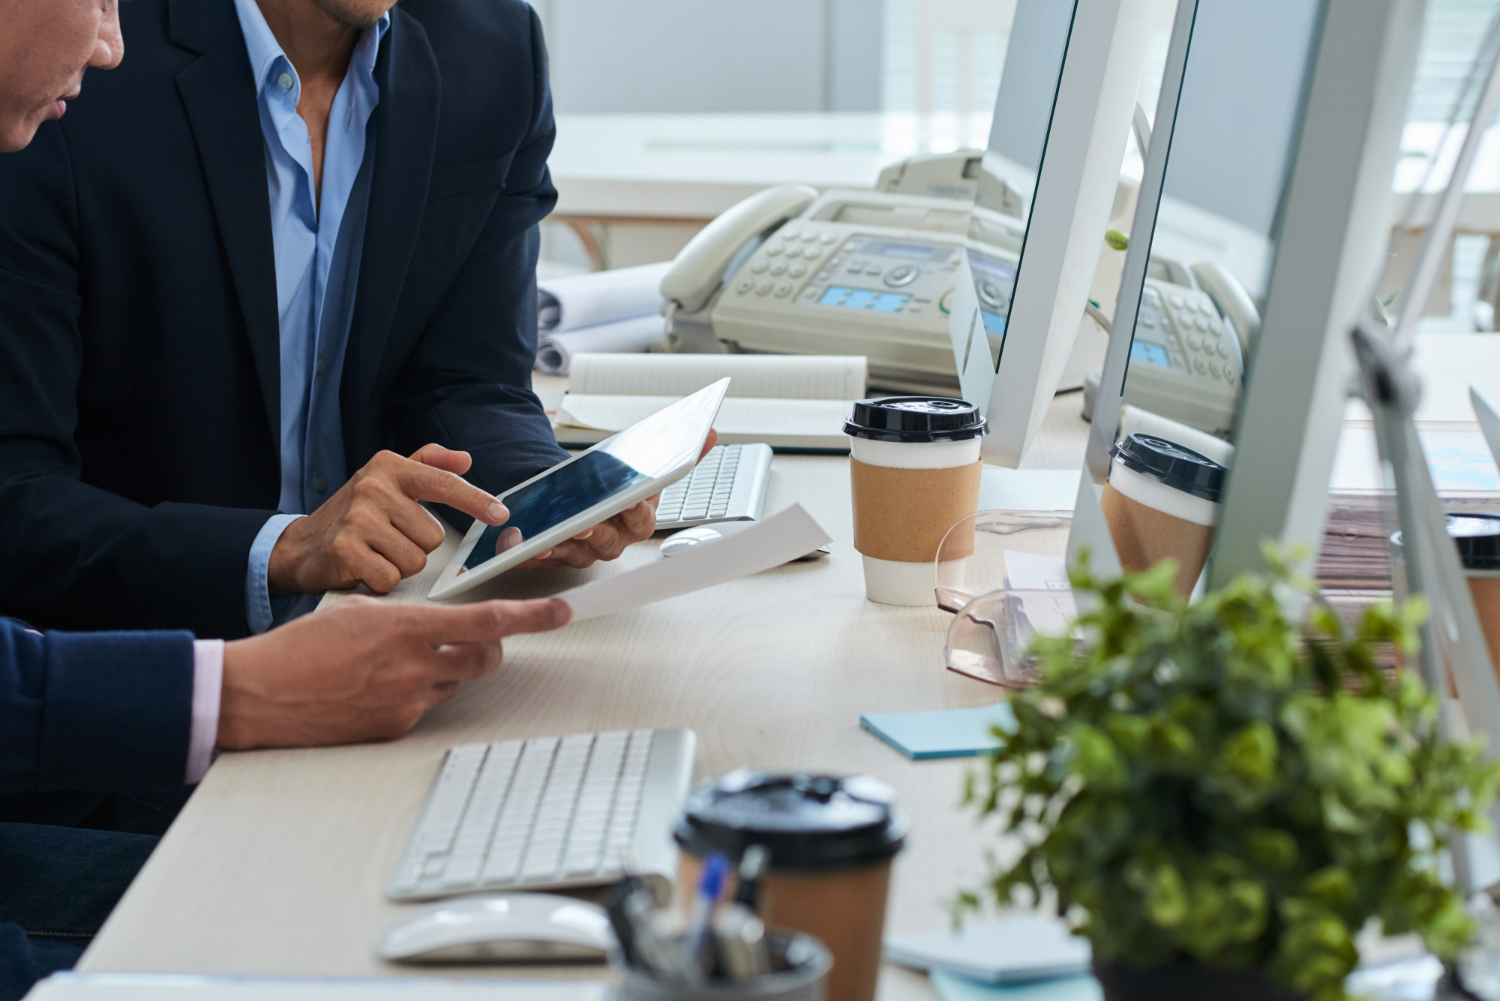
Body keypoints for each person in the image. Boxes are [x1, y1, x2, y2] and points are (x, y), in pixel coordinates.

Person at [0, 0, 671, 642]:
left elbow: (468, 381)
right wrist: (282, 550)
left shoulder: (493, 51)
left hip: (381, 621)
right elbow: (16, 492)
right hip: (137, 654)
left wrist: (547, 495)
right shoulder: (68, 57)